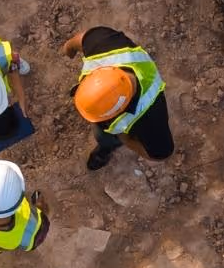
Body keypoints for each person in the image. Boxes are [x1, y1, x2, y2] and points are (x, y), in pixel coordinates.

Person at [63, 25, 174, 170]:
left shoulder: (151, 119)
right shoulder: (105, 44)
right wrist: (68, 50)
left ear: (117, 112)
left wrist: (124, 138)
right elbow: (79, 40)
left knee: (105, 137)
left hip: (126, 128)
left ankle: (106, 148)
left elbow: (160, 155)